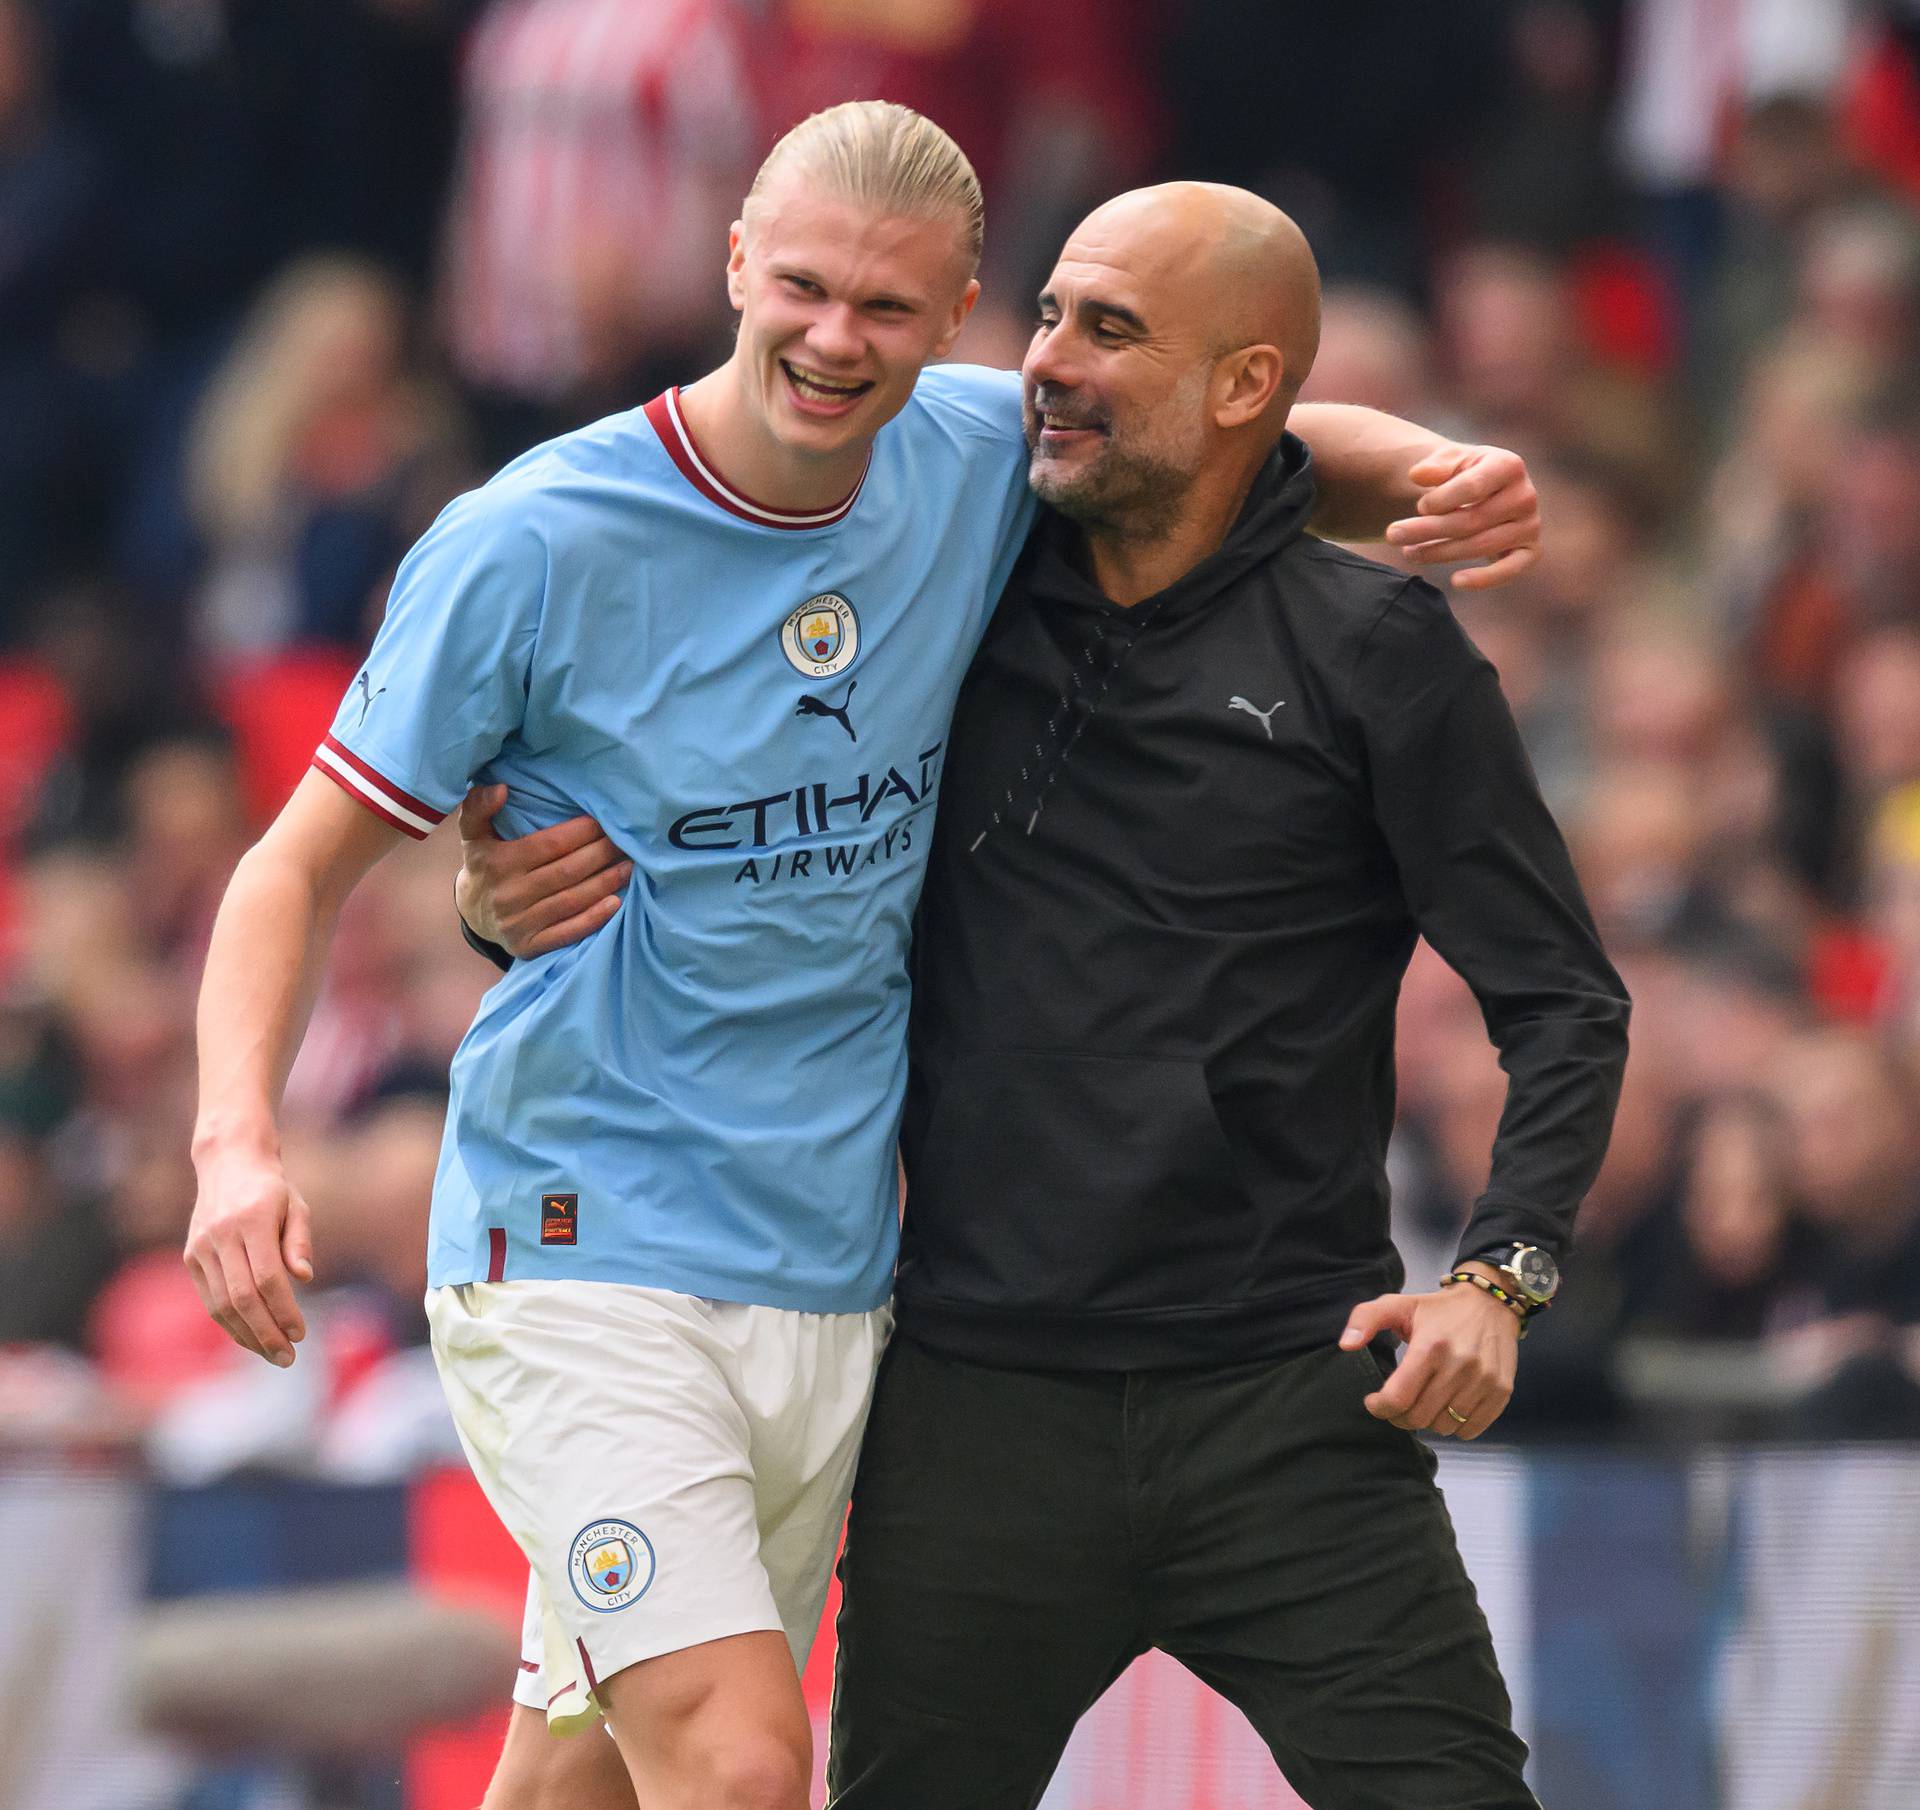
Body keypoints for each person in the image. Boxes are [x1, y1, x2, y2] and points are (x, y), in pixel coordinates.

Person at [188, 104, 1546, 1810]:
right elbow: (292, 864)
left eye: (891, 311)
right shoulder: (529, 539)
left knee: (580, 1777)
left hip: (828, 1272)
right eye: (807, 289)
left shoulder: (977, 458)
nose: (837, 340)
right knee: (746, 1768)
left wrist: (1434, 467)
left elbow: (1248, 432)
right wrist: (236, 1139)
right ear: (737, 262)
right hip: (578, 1242)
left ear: (963, 313)